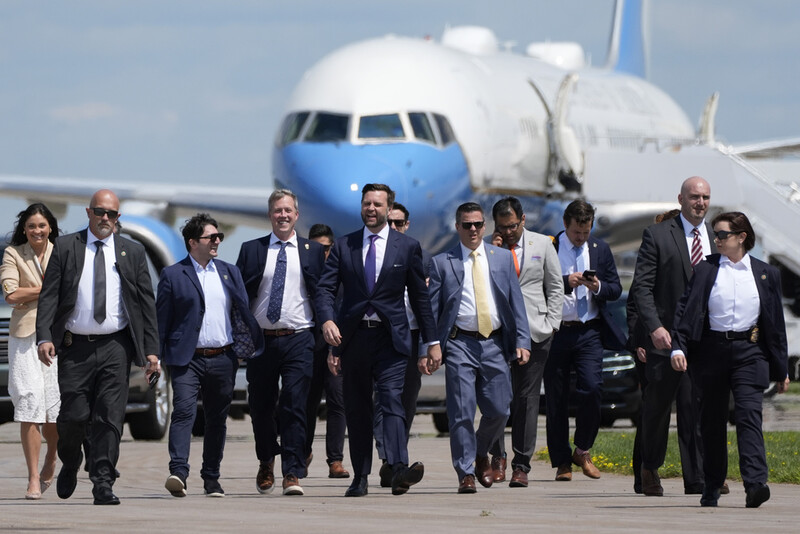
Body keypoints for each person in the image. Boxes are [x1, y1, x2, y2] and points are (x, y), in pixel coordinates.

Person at [315, 183, 441, 498]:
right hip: (354, 339)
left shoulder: (407, 246)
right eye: (367, 203)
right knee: (358, 409)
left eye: (377, 204)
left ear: (389, 208)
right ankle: (360, 476)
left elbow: (421, 298)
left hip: (392, 339)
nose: (371, 209)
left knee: (392, 400)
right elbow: (325, 289)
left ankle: (398, 468)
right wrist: (327, 320)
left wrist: (432, 341)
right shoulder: (344, 246)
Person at [36, 189, 160, 505]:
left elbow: (146, 304)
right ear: (89, 212)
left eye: (112, 214)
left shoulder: (132, 252)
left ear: (118, 218)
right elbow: (49, 296)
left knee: (109, 417)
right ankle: (71, 460)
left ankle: (103, 482)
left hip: (115, 346)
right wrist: (44, 336)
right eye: (100, 212)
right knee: (73, 416)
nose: (106, 218)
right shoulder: (66, 247)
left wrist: (151, 350)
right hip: (75, 347)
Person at [671, 211, 791, 508]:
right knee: (712, 421)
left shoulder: (766, 273)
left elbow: (775, 324)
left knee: (749, 416)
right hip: (711, 352)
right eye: (716, 235)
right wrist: (678, 347)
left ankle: (755, 484)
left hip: (751, 353)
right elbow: (686, 310)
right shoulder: (706, 269)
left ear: (741, 237)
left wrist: (781, 369)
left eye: (723, 235)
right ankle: (712, 484)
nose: (717, 240)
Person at [428, 202, 531, 493]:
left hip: (495, 343)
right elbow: (432, 311)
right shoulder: (442, 262)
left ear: (485, 227)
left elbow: (516, 303)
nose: (472, 229)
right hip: (460, 342)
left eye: (477, 224)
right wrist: (431, 345)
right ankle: (465, 473)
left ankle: (478, 451)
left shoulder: (502, 258)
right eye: (466, 225)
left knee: (500, 409)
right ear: (457, 227)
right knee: (461, 412)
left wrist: (522, 341)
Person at [158, 213, 262, 498]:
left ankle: (211, 478)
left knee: (217, 419)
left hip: (223, 358)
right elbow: (162, 320)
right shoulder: (173, 275)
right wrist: (154, 355)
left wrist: (241, 350)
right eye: (211, 237)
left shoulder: (230, 272)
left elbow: (241, 313)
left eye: (219, 237)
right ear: (193, 242)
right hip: (187, 359)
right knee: (184, 412)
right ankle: (178, 472)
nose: (217, 241)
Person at [237, 190, 325, 496]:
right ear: (270, 215)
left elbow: (322, 294)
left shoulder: (313, 251)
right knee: (261, 406)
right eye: (278, 210)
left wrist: (328, 327)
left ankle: (292, 471)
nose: (283, 215)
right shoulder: (252, 250)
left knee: (294, 405)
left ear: (296, 215)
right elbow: (239, 297)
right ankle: (266, 460)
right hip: (261, 341)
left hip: (299, 338)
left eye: (288, 210)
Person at [630, 176, 712, 496]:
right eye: (694, 197)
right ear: (681, 199)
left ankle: (698, 477)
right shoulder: (658, 235)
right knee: (658, 410)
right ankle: (649, 467)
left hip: (703, 341)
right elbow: (642, 288)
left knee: (696, 409)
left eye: (705, 197)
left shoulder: (716, 237)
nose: (700, 203)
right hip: (665, 339)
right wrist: (653, 328)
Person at [484, 196, 563, 487]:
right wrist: (493, 251)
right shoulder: (487, 248)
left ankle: (521, 464)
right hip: (497, 333)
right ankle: (497, 456)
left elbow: (555, 285)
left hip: (535, 331)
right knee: (496, 398)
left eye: (513, 226)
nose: (508, 232)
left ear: (523, 220)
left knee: (527, 399)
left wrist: (552, 323)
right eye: (503, 227)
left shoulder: (542, 244)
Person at [543, 199, 625, 481]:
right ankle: (561, 461)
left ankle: (583, 450)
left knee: (592, 388)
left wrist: (597, 285)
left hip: (589, 330)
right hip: (556, 331)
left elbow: (615, 288)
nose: (581, 237)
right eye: (576, 232)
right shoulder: (550, 247)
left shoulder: (599, 249)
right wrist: (567, 281)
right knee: (556, 399)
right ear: (566, 225)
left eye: (586, 232)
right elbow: (537, 284)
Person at [1, 203, 60, 500]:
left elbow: (73, 290)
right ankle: (33, 477)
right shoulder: (13, 253)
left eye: (42, 225)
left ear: (50, 227)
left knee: (54, 407)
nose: (37, 230)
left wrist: (32, 292)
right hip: (24, 337)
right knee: (29, 402)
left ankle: (52, 457)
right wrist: (50, 288)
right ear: (24, 229)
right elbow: (11, 294)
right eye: (31, 226)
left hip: (58, 335)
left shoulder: (62, 251)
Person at [374, 202, 433, 487]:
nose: (394, 227)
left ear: (407, 225)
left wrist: (427, 347)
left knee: (407, 400)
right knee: (384, 399)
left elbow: (428, 307)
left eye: (399, 223)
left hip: (410, 337)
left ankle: (394, 457)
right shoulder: (373, 255)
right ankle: (391, 458)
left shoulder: (419, 255)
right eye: (390, 222)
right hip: (381, 336)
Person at [304, 223, 349, 479]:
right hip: (308, 346)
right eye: (317, 248)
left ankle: (336, 460)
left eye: (327, 248)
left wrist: (339, 347)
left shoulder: (343, 274)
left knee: (337, 401)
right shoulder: (302, 273)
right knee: (306, 403)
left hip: (336, 345)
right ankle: (303, 453)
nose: (323, 253)